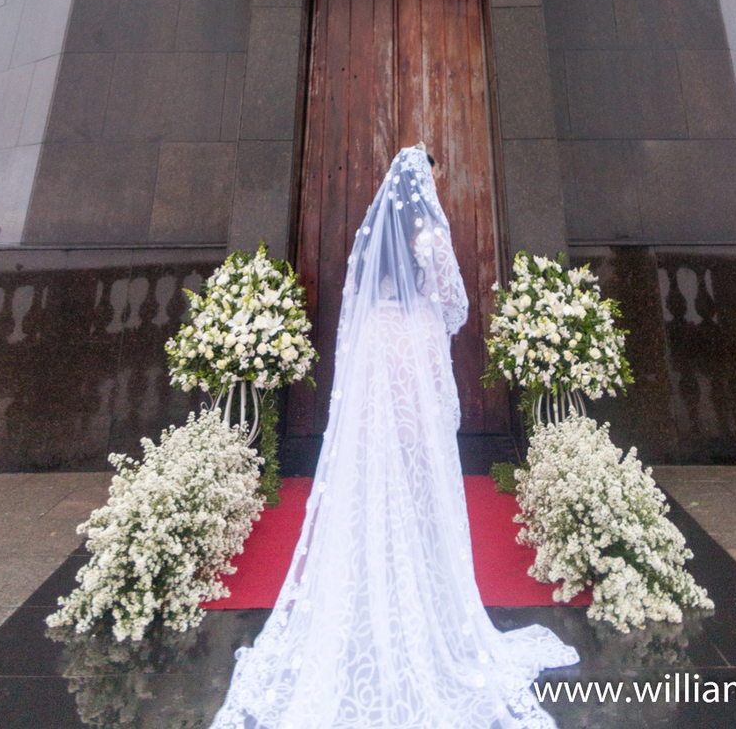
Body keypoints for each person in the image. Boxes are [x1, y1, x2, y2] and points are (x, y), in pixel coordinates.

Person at [211, 142, 578, 727]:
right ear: (424, 188)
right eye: (434, 179)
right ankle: (418, 585)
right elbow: (455, 307)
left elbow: (355, 304)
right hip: (414, 347)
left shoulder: (374, 239)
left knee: (372, 463)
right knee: (418, 465)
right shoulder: (431, 238)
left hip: (377, 352)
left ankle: (369, 584)